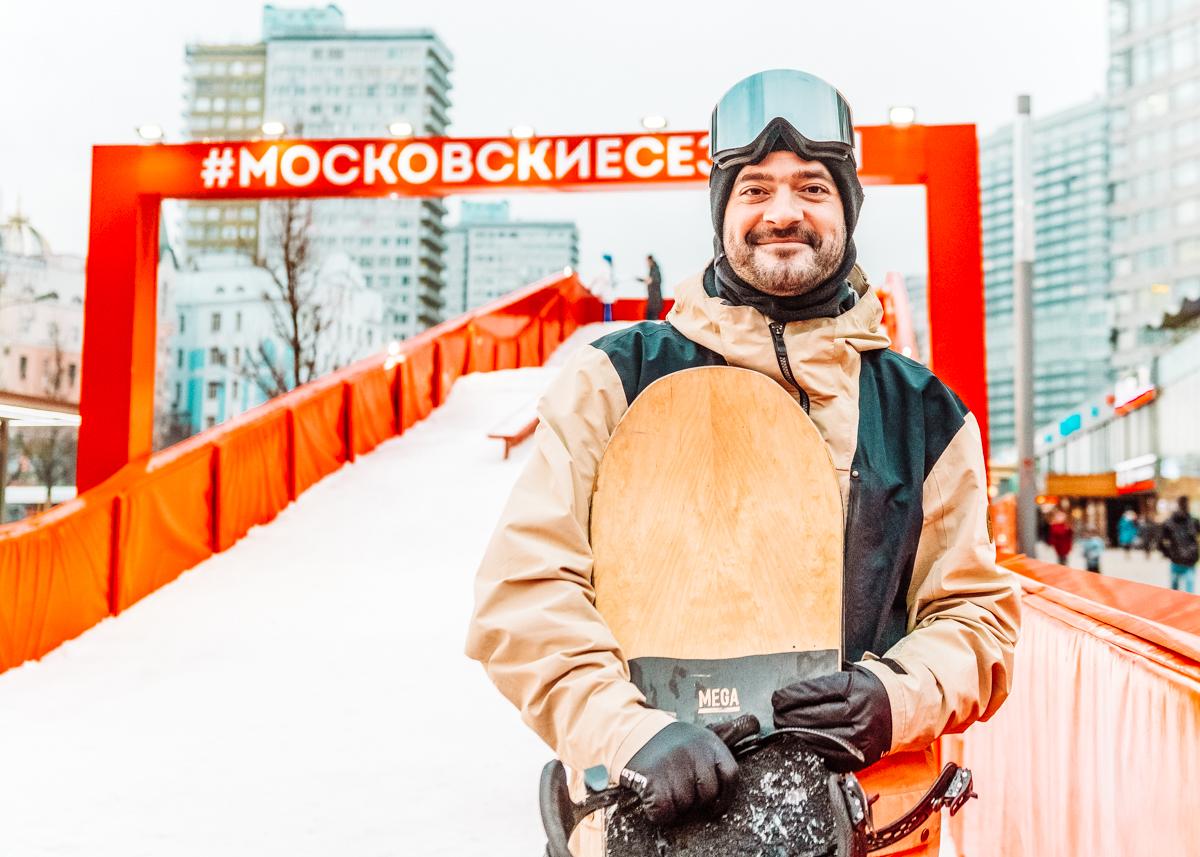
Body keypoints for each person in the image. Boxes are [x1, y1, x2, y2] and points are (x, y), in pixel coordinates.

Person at [466, 69, 1021, 856]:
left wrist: (893, 698)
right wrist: (627, 732)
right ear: (722, 210)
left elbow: (976, 617)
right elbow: (523, 592)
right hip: (647, 824)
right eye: (755, 189)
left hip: (866, 827)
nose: (783, 212)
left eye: (813, 188)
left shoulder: (923, 413)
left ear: (848, 209)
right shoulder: (616, 379)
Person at [1160, 496, 1199, 593]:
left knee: (1177, 589)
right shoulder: (1193, 521)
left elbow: (1160, 541)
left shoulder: (1192, 521)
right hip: (1184, 559)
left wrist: (1168, 553)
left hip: (1182, 559)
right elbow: (1160, 541)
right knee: (1185, 588)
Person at [591, 254, 617, 322]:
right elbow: (607, 279)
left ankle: (607, 320)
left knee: (606, 305)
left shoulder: (604, 267)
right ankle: (607, 320)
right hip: (605, 290)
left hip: (604, 290)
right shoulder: (607, 268)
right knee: (607, 305)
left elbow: (601, 278)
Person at [643, 254, 663, 320]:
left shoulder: (655, 269)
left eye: (648, 262)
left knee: (652, 316)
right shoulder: (652, 269)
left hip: (655, 299)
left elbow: (656, 280)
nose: (647, 263)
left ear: (650, 260)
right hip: (652, 299)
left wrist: (650, 280)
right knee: (650, 316)